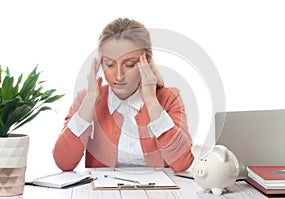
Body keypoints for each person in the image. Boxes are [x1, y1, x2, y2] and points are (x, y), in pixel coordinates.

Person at [53, 18, 194, 172]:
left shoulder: (169, 98)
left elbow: (183, 164)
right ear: (100, 63)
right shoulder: (86, 99)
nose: (119, 75)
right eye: (110, 64)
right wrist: (90, 101)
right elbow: (64, 163)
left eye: (129, 65)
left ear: (146, 62)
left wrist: (151, 100)